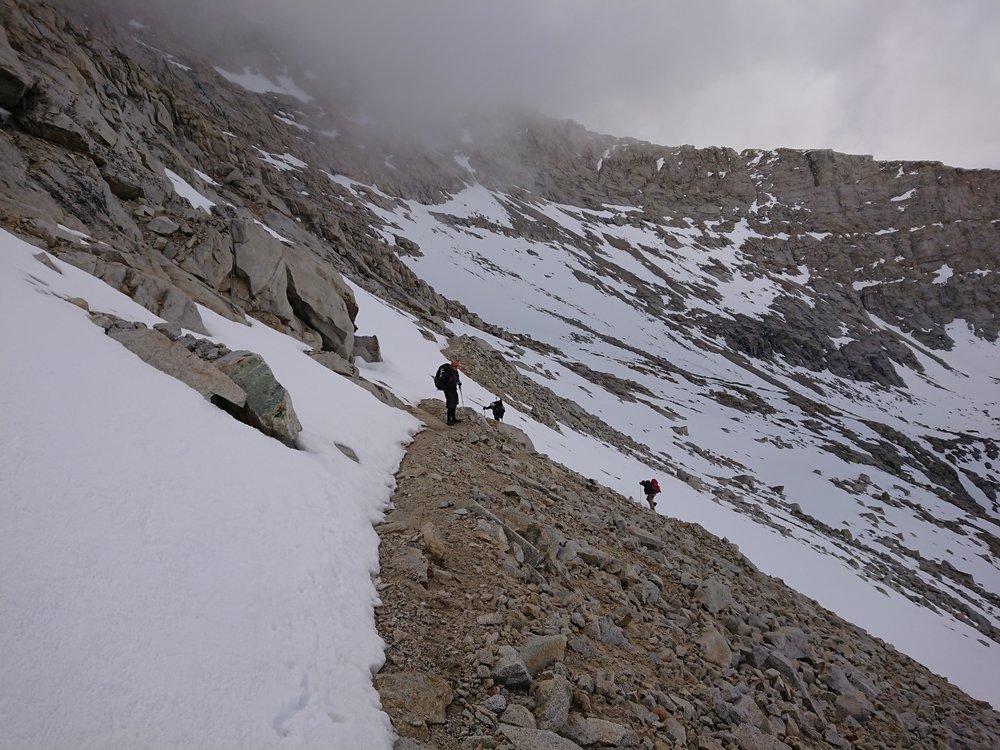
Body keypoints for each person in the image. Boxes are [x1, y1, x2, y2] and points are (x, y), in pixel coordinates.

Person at [434, 359, 463, 425]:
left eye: (457, 366)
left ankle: (453, 418)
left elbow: (456, 379)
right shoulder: (448, 373)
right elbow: (441, 381)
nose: (456, 367)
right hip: (448, 390)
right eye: (455, 366)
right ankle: (449, 420)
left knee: (455, 403)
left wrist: (458, 382)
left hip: (453, 389)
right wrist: (445, 389)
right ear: (452, 366)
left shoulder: (455, 372)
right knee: (450, 405)